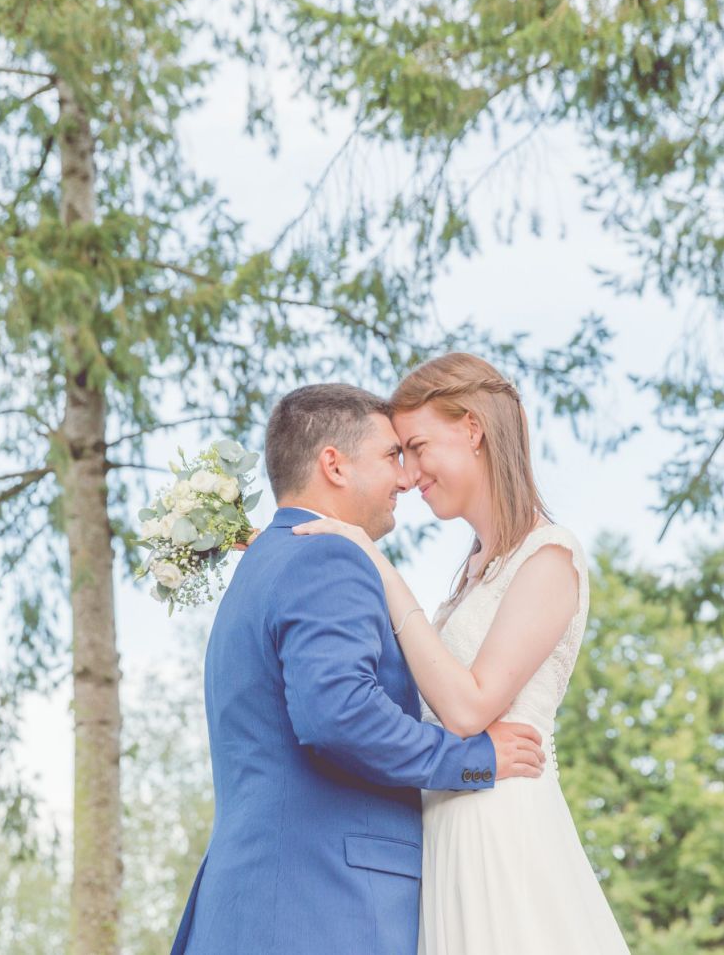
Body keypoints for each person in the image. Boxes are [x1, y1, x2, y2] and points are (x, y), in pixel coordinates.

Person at [169, 382, 547, 955]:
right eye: (392, 455)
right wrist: (476, 760)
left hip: (254, 907)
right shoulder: (328, 556)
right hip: (325, 910)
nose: (405, 477)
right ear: (335, 465)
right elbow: (340, 715)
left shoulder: (263, 566)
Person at [294, 352, 630, 954]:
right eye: (400, 454)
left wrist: (375, 564)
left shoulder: (550, 557)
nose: (410, 472)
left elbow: (470, 709)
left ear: (472, 428)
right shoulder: (470, 577)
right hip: (446, 829)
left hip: (501, 829)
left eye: (417, 446)